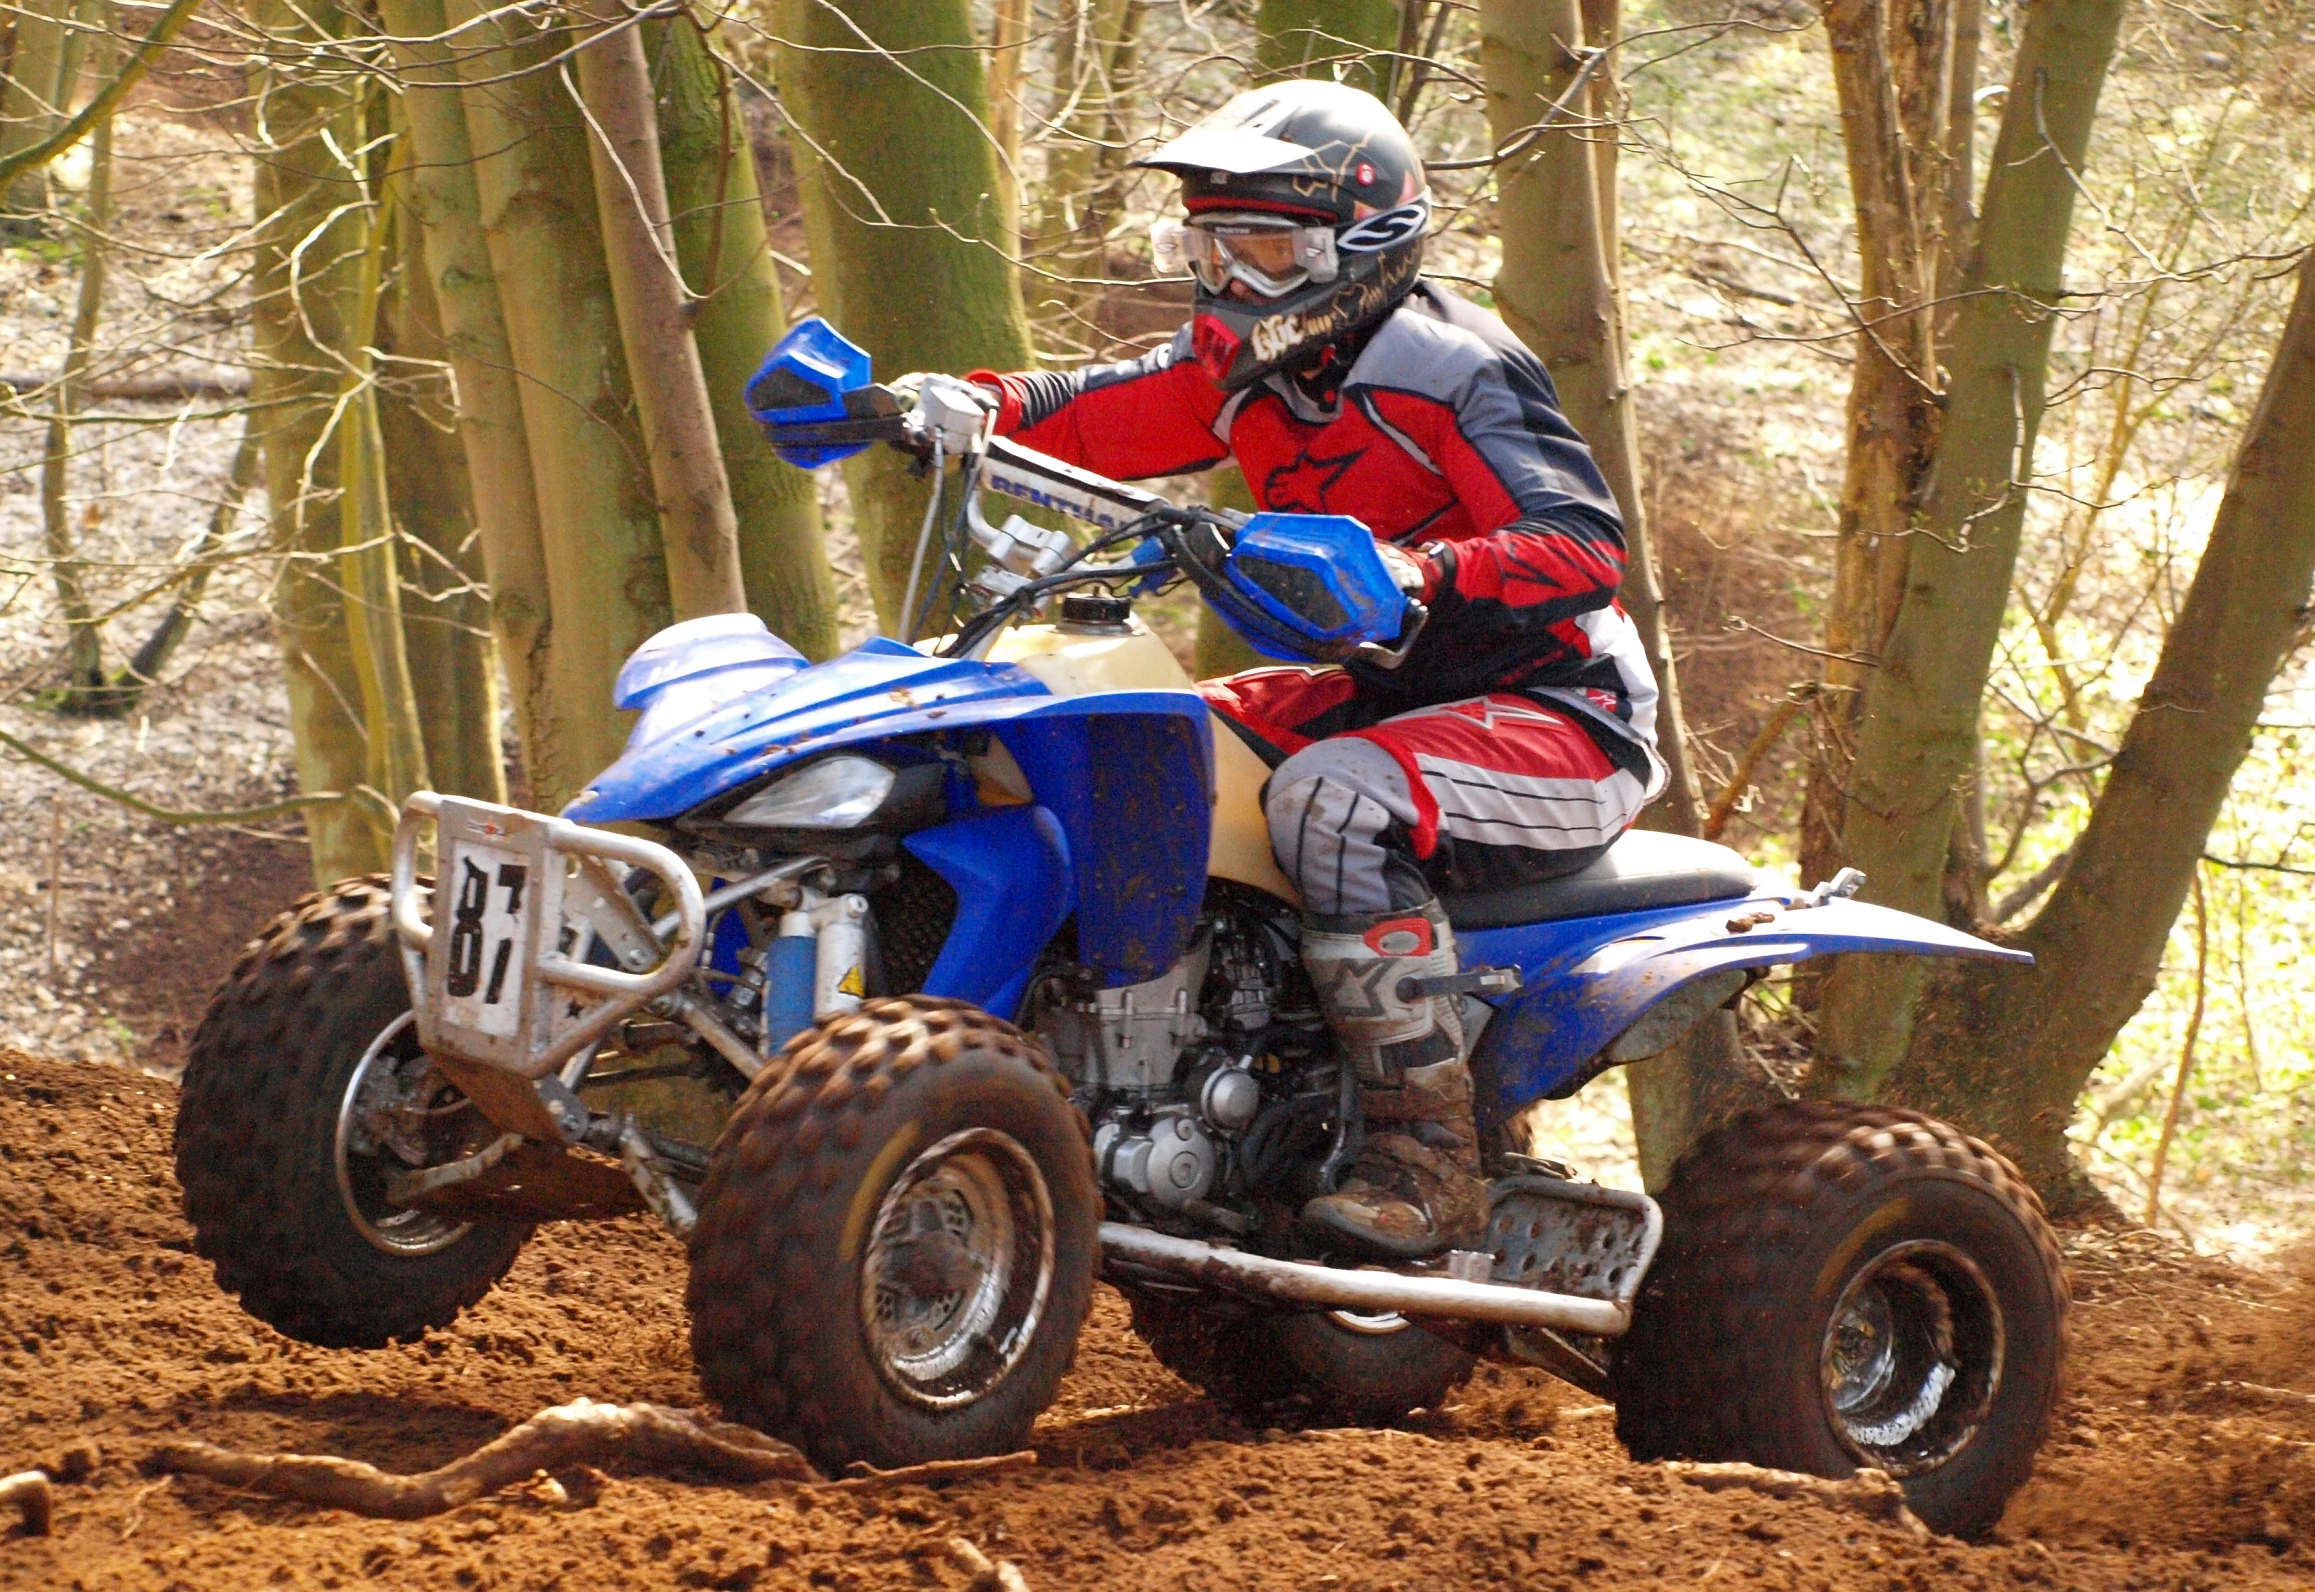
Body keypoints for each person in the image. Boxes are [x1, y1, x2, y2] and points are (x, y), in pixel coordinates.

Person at [917, 80, 1662, 1257]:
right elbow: (1090, 410)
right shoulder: (1242, 367)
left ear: (1360, 246)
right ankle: (1159, 1079)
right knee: (1141, 746)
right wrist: (943, 407)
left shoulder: (1451, 366)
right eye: (1209, 246)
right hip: (1378, 691)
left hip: (1553, 706)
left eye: (1266, 248)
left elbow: (1579, 547)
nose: (1232, 281)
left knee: (1330, 798)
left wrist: (1417, 576)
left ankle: (1425, 1161)